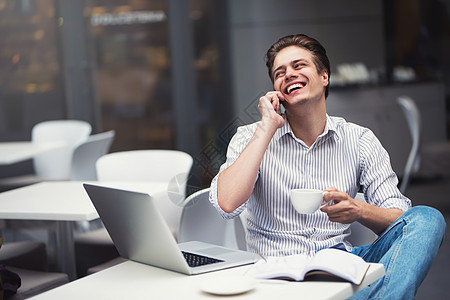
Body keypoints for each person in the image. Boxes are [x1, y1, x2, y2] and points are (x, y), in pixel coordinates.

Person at [209, 33, 446, 299]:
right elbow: (227, 204)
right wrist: (266, 128)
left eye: (299, 66)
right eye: (279, 72)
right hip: (277, 272)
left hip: (339, 263)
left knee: (428, 218)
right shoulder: (250, 136)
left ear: (324, 77)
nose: (288, 74)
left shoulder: (359, 140)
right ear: (277, 90)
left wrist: (359, 210)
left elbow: (399, 219)